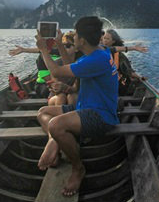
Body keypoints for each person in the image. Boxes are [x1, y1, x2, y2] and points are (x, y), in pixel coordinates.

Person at [36, 16, 118, 197]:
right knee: (43, 112)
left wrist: (43, 49)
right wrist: (58, 44)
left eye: (75, 34)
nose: (72, 36)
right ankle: (54, 140)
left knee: (56, 124)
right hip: (85, 107)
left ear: (82, 40)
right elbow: (70, 66)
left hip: (101, 116)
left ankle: (78, 168)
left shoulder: (95, 60)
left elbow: (57, 71)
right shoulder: (99, 51)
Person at [101, 29, 147, 95]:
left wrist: (139, 77)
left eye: (107, 39)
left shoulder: (119, 55)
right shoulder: (98, 51)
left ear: (113, 41)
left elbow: (128, 70)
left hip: (115, 86)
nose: (104, 40)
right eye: (104, 38)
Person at [47, 31, 79, 106]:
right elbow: (56, 86)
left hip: (73, 94)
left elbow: (76, 88)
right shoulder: (56, 63)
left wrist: (67, 88)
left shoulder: (80, 63)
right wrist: (55, 87)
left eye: (67, 46)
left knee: (72, 96)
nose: (64, 48)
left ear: (76, 48)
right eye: (62, 45)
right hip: (56, 96)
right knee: (61, 97)